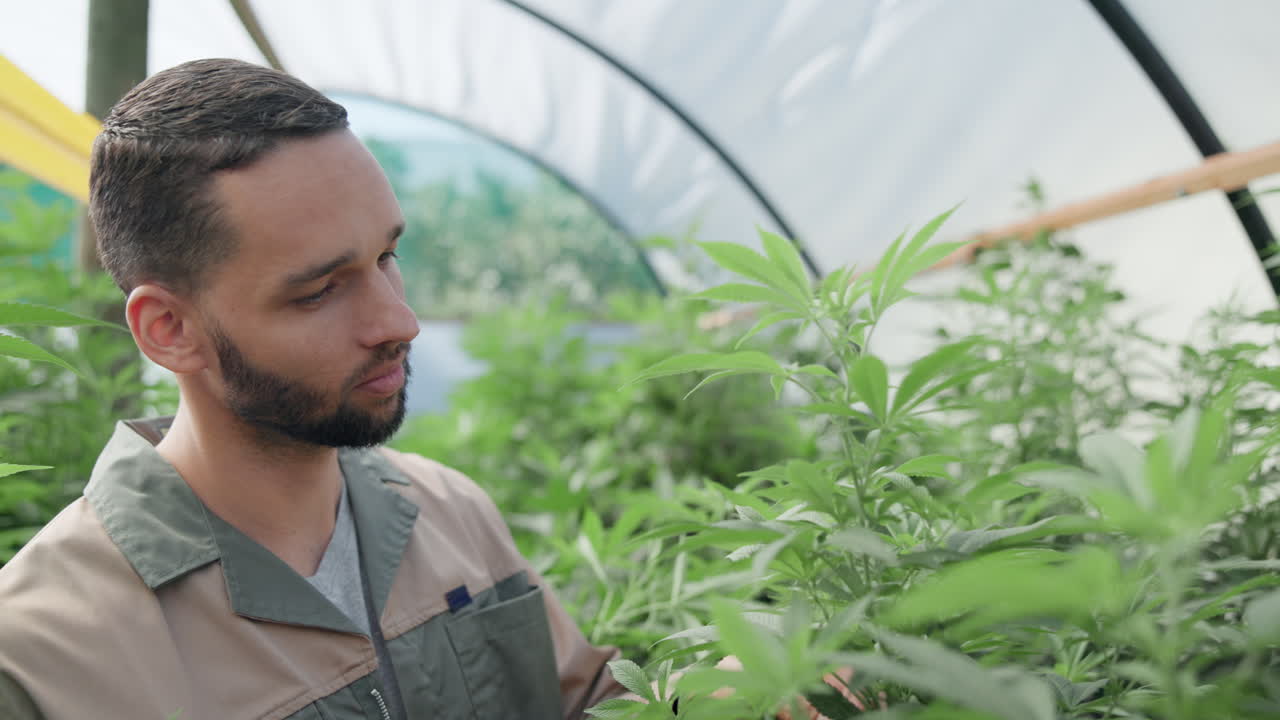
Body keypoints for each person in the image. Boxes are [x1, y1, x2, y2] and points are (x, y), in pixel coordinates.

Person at [0, 58, 625, 720]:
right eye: (321, 291)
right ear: (170, 330)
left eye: (387, 258)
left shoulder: (449, 511)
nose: (398, 321)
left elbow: (586, 703)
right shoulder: (43, 657)